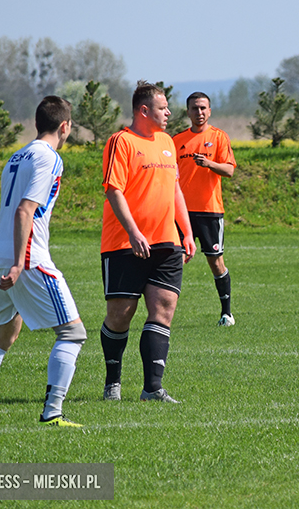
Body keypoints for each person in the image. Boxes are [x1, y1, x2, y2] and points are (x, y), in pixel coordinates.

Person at [0, 96, 87, 429]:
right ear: (65, 126)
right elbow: (24, 210)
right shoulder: (50, 158)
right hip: (25, 258)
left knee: (5, 333)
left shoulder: (17, 156)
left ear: (35, 123)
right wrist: (18, 263)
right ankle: (52, 412)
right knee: (73, 334)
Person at [99, 81, 196, 403]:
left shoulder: (168, 142)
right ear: (144, 110)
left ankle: (152, 389)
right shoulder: (121, 142)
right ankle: (113, 381)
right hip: (125, 243)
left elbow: (175, 189)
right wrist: (132, 231)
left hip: (167, 242)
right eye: (162, 107)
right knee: (120, 315)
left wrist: (187, 231)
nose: (169, 112)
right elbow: (114, 189)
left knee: (163, 309)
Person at [173, 92, 237, 327]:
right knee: (175, 261)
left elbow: (229, 170)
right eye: (194, 108)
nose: (199, 113)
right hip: (181, 212)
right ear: (188, 112)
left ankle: (226, 313)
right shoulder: (177, 140)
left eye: (203, 108)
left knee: (216, 262)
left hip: (210, 211)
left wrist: (209, 164)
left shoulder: (219, 137)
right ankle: (163, 315)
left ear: (209, 111)